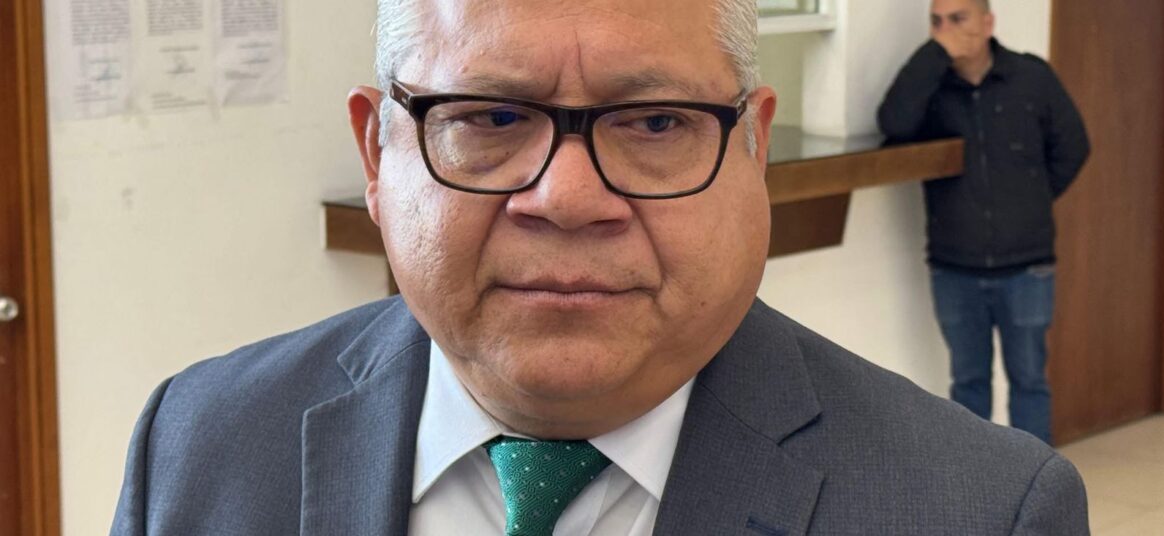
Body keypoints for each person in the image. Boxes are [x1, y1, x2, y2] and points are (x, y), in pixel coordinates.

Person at [111, 0, 1089, 534]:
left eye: (656, 122)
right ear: (378, 155)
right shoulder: (196, 448)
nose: (569, 198)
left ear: (752, 150)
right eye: (491, 118)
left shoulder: (981, 512)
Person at [877, 0, 1089, 445]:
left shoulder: (1031, 77)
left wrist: (1030, 201)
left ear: (988, 23)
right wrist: (934, 55)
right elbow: (894, 123)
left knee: (1029, 380)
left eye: (959, 19)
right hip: (955, 266)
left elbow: (1074, 146)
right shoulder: (932, 85)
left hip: (1027, 266)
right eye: (937, 22)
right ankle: (977, 480)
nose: (946, 30)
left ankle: (1035, 478)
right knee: (968, 383)